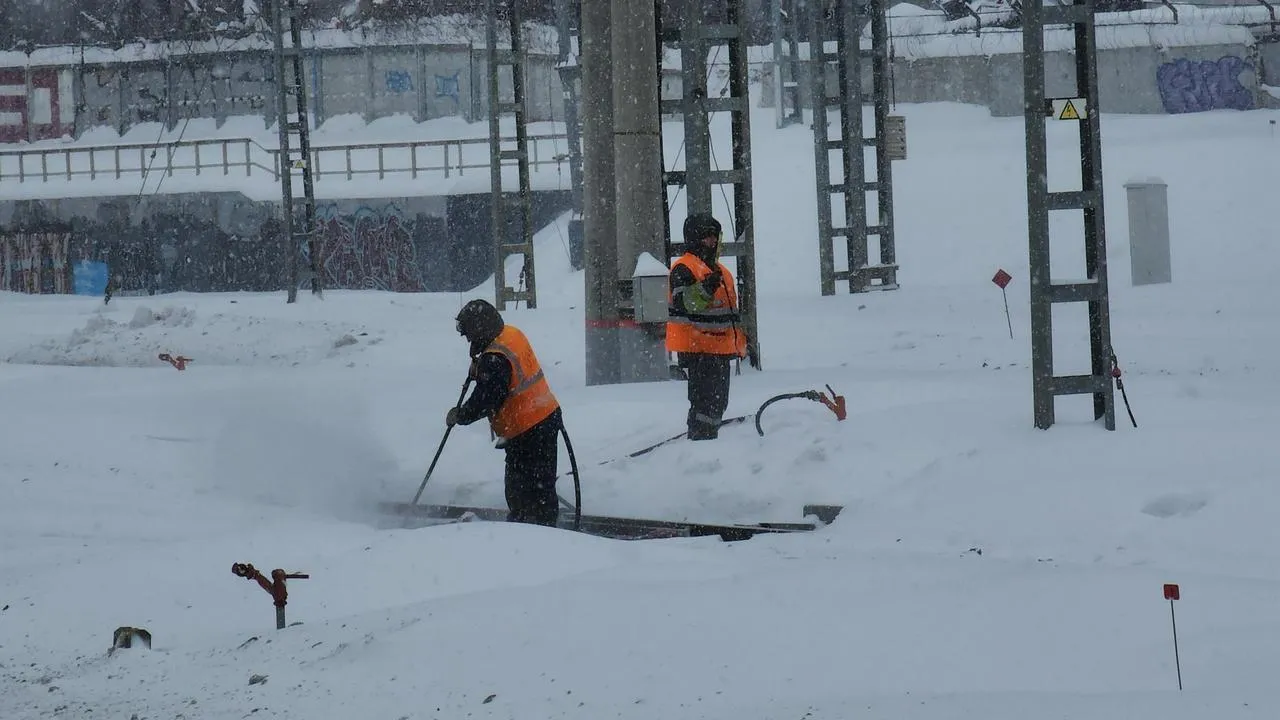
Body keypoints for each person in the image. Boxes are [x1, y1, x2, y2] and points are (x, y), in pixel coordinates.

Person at [446, 298, 564, 527]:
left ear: (481, 328)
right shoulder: (510, 334)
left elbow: (485, 400)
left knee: (522, 494)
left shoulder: (494, 358)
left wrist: (460, 415)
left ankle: (531, 533)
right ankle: (546, 529)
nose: (468, 339)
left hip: (528, 431)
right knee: (541, 487)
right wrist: (481, 368)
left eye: (469, 333)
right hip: (545, 416)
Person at [666, 213, 752, 441]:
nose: (712, 242)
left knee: (717, 402)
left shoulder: (722, 272)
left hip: (719, 349)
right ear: (695, 239)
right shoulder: (684, 268)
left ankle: (706, 439)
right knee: (705, 402)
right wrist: (706, 287)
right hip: (699, 349)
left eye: (715, 236)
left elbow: (727, 313)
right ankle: (700, 440)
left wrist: (741, 339)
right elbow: (686, 302)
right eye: (707, 237)